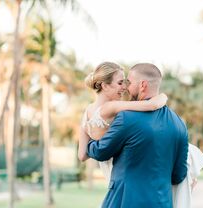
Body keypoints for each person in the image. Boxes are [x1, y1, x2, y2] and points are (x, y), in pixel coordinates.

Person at [84, 63, 189, 208]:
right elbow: (179, 175)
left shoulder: (126, 118)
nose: (126, 87)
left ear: (142, 85)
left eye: (129, 82)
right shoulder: (179, 124)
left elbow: (100, 152)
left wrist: (90, 135)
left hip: (124, 202)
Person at [78, 62, 168, 182]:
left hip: (109, 174)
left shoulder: (87, 112)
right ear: (104, 86)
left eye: (125, 82)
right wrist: (163, 96)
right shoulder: (111, 107)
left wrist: (99, 144)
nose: (124, 87)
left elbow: (82, 155)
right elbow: (152, 105)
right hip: (124, 172)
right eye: (120, 83)